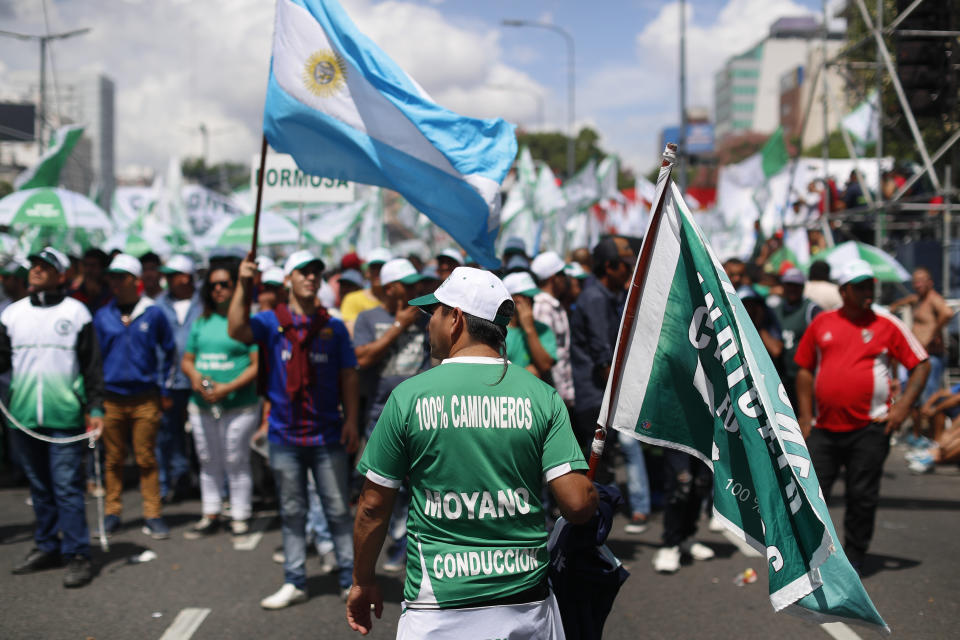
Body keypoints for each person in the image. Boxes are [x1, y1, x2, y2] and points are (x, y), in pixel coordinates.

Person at [346, 266, 598, 638]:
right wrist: (594, 493)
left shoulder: (409, 397)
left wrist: (362, 580)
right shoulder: (541, 395)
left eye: (436, 311)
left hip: (438, 608)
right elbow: (577, 504)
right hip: (525, 603)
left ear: (456, 319)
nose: (429, 321)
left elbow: (372, 505)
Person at [228, 249, 359, 608]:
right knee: (292, 510)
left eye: (316, 272)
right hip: (284, 435)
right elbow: (236, 328)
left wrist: (351, 420)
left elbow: (349, 374)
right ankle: (295, 580)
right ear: (288, 279)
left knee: (336, 508)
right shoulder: (270, 322)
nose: (311, 277)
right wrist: (243, 284)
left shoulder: (332, 326)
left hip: (327, 433)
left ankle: (350, 578)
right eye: (302, 271)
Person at [795, 259, 930, 570]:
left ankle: (854, 559)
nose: (868, 292)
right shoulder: (822, 323)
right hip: (824, 429)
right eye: (861, 287)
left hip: (869, 428)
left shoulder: (886, 323)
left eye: (871, 286)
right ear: (844, 291)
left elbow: (920, 363)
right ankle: (809, 555)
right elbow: (804, 368)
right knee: (811, 493)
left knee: (861, 496)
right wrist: (805, 416)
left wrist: (902, 408)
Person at [0, 247, 104, 588]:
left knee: (66, 487)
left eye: (46, 266)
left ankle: (77, 553)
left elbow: (91, 366)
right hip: (23, 415)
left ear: (62, 275)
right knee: (40, 487)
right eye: (34, 266)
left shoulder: (77, 313)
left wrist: (96, 408)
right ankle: (47, 545)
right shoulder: (12, 314)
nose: (37, 270)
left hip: (65, 416)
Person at [353, 258, 430, 573]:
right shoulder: (368, 318)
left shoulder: (427, 320)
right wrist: (398, 325)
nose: (415, 290)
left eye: (417, 284)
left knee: (421, 488)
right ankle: (394, 543)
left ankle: (410, 547)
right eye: (408, 285)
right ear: (389, 288)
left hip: (423, 418)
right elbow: (363, 359)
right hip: (381, 417)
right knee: (387, 492)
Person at [94, 253, 177, 540]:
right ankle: (112, 513)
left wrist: (164, 389)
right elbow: (94, 360)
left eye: (121, 277)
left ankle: (153, 514)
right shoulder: (103, 315)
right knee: (113, 459)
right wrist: (93, 401)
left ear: (135, 280)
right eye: (112, 277)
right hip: (111, 399)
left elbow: (170, 352)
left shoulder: (153, 313)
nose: (115, 283)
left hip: (145, 398)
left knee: (146, 458)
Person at [180, 263, 260, 537]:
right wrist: (196, 379)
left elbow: (256, 364)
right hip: (202, 405)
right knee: (207, 459)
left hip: (239, 405)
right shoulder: (201, 322)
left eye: (225, 283)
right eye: (213, 285)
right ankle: (210, 511)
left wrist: (227, 387)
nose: (218, 289)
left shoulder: (246, 321)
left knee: (235, 458)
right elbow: (187, 360)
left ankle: (240, 513)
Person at [569, 237, 634, 481]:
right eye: (626, 265)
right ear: (609, 266)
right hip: (596, 398)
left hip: (601, 396)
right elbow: (603, 356)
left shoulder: (610, 296)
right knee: (598, 474)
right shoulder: (595, 298)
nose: (630, 270)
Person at [155, 254, 202, 503]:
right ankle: (169, 484)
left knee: (202, 432)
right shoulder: (158, 305)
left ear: (185, 277)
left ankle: (202, 481)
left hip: (199, 378)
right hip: (170, 380)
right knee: (167, 435)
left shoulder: (203, 302)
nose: (167, 280)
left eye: (172, 275)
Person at [889, 267, 955, 442]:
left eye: (921, 281)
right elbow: (911, 299)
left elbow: (947, 313)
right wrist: (896, 305)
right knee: (915, 398)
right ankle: (918, 435)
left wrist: (934, 334)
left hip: (931, 358)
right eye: (915, 281)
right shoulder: (919, 299)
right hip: (917, 358)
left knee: (929, 399)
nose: (917, 285)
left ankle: (934, 438)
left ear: (930, 282)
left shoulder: (934, 299)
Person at [770, 268, 820, 408]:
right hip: (781, 376)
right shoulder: (775, 308)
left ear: (803, 287)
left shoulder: (811, 309)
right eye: (789, 285)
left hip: (804, 376)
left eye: (796, 285)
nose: (792, 289)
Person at [530, 251, 574, 408]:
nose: (566, 279)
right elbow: (545, 356)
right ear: (553, 278)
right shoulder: (543, 307)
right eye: (562, 274)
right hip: (552, 398)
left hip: (561, 396)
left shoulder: (554, 305)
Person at [502, 272, 556, 379]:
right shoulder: (497, 332)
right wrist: (523, 375)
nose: (530, 302)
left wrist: (529, 329)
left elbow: (545, 365)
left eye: (531, 298)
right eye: (525, 298)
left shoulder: (543, 329)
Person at [341, 248, 392, 335]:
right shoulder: (352, 300)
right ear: (367, 272)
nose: (378, 272)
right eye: (374, 268)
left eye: (382, 267)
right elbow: (356, 338)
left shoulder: (398, 299)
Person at [68, 248, 112, 313]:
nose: (88, 270)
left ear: (103, 268)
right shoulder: (73, 297)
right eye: (85, 265)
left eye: (93, 266)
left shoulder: (112, 298)